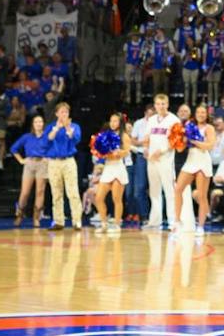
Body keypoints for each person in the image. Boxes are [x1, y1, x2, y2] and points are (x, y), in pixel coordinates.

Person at [173, 103, 217, 228]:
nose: (201, 115)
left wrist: (193, 141)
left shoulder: (209, 128)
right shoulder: (188, 126)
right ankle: (177, 221)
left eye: (203, 112)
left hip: (203, 161)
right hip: (191, 160)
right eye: (198, 112)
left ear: (207, 114)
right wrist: (179, 141)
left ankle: (201, 226)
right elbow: (181, 149)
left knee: (202, 195)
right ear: (195, 114)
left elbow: (209, 146)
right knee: (178, 189)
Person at [142, 93, 181, 228]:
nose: (161, 106)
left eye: (163, 104)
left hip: (166, 159)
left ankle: (173, 222)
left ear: (168, 104)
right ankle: (155, 221)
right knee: (154, 190)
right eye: (158, 104)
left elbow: (175, 141)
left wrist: (161, 151)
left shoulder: (174, 120)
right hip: (151, 159)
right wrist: (146, 149)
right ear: (155, 105)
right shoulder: (151, 120)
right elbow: (147, 137)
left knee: (169, 190)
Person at [93, 112, 133, 233]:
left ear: (120, 123)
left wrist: (118, 153)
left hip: (118, 168)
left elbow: (127, 151)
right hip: (108, 168)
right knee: (98, 198)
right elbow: (99, 150)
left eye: (115, 121)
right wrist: (100, 152)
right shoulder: (105, 135)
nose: (113, 123)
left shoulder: (124, 136)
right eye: (111, 121)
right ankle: (104, 223)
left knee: (116, 198)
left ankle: (116, 225)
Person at [44, 102, 82, 229]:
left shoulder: (74, 126)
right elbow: (48, 139)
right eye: (61, 112)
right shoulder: (50, 127)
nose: (64, 114)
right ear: (56, 114)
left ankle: (77, 221)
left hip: (68, 161)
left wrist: (67, 128)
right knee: (56, 192)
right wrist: (57, 128)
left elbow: (75, 139)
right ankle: (58, 221)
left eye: (66, 112)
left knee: (73, 192)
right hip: (54, 162)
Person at [10, 114, 48, 227]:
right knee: (25, 192)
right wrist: (21, 160)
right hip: (30, 163)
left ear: (43, 124)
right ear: (33, 124)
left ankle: (36, 218)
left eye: (40, 122)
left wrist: (48, 158)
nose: (38, 124)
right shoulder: (27, 137)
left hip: (42, 163)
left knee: (40, 192)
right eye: (36, 122)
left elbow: (53, 149)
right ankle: (19, 215)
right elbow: (13, 148)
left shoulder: (47, 137)